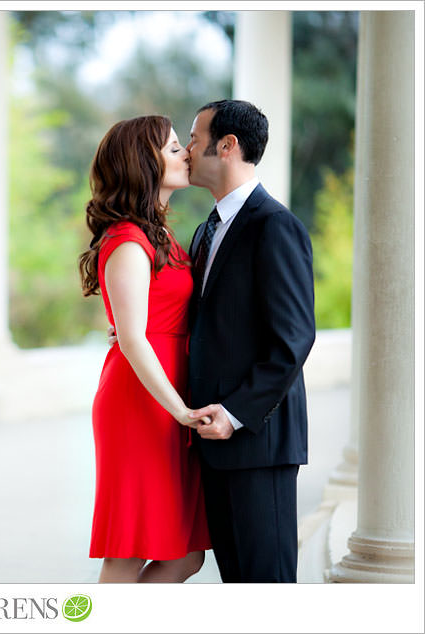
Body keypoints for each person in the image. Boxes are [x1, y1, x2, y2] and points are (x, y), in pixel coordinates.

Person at [182, 100, 316, 582]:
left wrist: (235, 413)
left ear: (227, 145)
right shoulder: (205, 232)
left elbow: (294, 338)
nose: (187, 149)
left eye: (194, 138)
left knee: (267, 588)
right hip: (212, 442)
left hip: (259, 442)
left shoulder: (275, 225)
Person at [79, 116, 211, 583]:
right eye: (175, 148)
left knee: (185, 554)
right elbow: (134, 338)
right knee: (130, 550)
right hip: (143, 403)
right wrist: (180, 410)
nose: (186, 155)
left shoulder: (161, 236)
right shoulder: (129, 240)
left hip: (170, 397)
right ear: (144, 162)